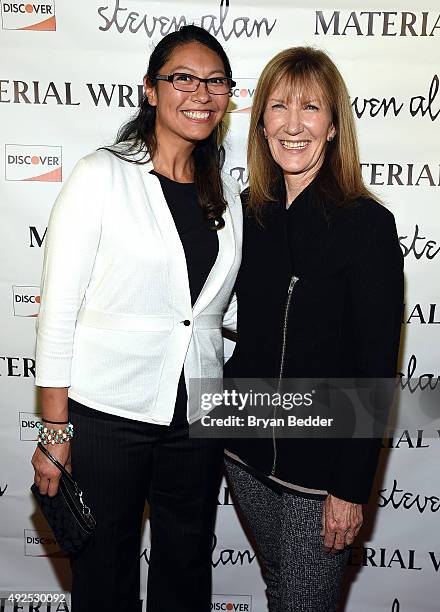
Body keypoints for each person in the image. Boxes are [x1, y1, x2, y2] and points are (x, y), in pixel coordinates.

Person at [31, 25, 242, 612]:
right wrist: (55, 432)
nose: (200, 92)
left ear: (228, 94)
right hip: (107, 413)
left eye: (216, 81)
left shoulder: (226, 192)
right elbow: (58, 312)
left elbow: (213, 316)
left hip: (197, 415)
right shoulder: (102, 174)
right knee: (104, 571)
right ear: (150, 90)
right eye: (183, 79)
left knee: (186, 565)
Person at [224, 47, 403, 612]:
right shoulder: (248, 212)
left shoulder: (367, 224)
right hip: (242, 454)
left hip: (318, 476)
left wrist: (351, 488)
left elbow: (375, 366)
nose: (293, 123)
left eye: (311, 107)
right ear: (262, 124)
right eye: (278, 106)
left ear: (332, 126)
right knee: (282, 590)